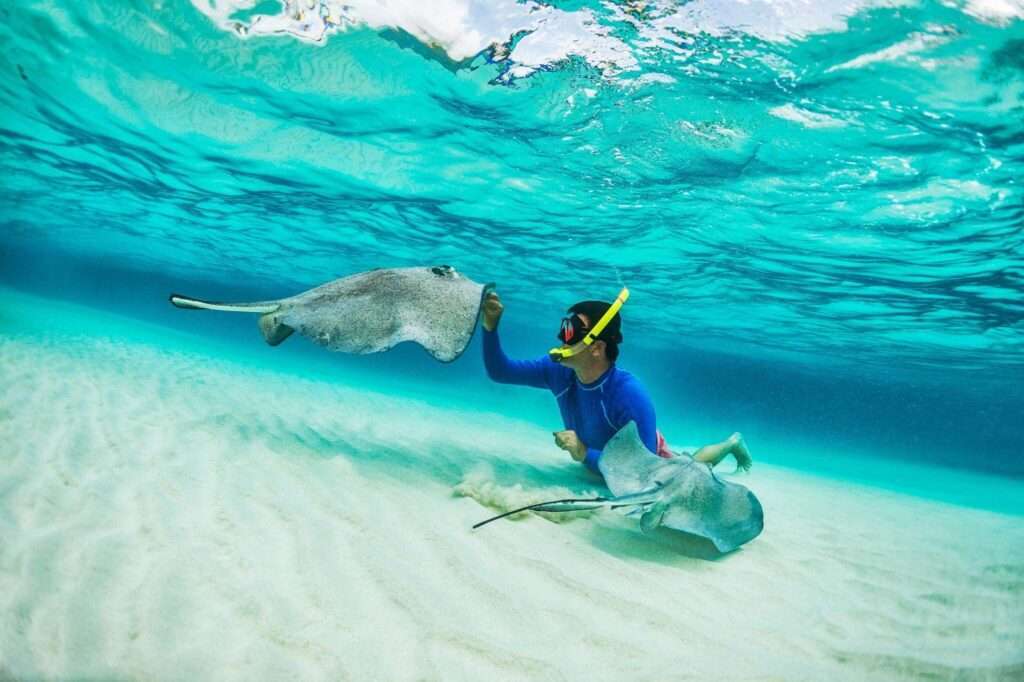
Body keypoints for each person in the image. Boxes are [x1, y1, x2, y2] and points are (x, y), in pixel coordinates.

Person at [481, 290, 752, 475]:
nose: (561, 338)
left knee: (691, 466)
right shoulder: (557, 371)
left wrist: (585, 452)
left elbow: (642, 469)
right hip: (606, 467)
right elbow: (500, 371)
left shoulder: (630, 394)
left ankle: (731, 443)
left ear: (596, 348)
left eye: (571, 330)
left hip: (648, 463)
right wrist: (490, 326)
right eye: (565, 327)